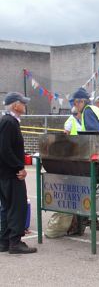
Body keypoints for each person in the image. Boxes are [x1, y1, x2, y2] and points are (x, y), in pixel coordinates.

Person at [0, 92, 37, 254]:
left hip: (5, 173)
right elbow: (5, 149)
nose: (24, 105)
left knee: (7, 207)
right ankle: (15, 242)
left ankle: (4, 241)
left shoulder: (8, 121)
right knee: (16, 207)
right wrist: (18, 167)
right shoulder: (9, 122)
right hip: (10, 173)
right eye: (22, 103)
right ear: (15, 105)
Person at [71, 87, 99, 230]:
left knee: (96, 188)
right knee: (98, 187)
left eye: (76, 103)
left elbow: (93, 133)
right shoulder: (93, 110)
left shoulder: (88, 111)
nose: (75, 106)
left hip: (96, 154)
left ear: (81, 101)